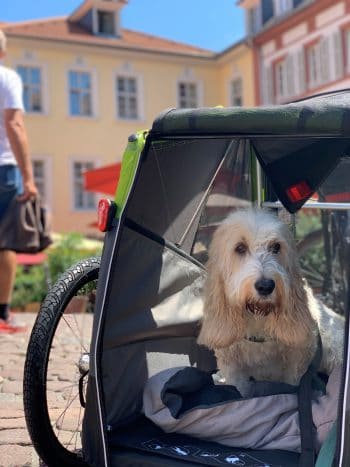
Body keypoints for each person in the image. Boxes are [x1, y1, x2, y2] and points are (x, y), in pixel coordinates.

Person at [0, 29, 38, 332]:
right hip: (4, 169)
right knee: (5, 243)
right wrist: (28, 176)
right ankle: (2, 313)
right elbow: (13, 124)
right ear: (3, 52)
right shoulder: (7, 77)